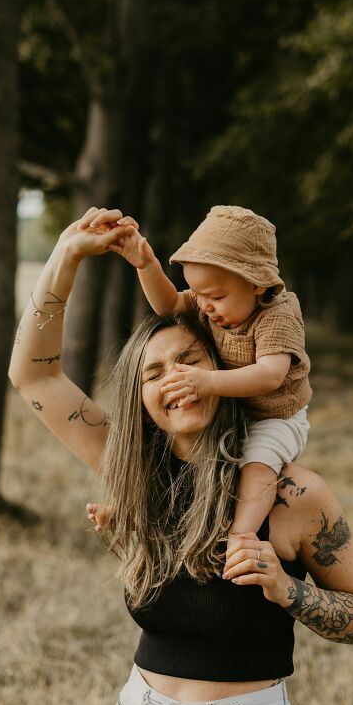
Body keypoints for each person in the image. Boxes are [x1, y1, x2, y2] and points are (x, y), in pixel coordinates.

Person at [8, 206, 353, 705]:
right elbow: (33, 374)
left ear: (223, 369)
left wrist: (286, 590)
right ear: (142, 397)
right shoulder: (133, 469)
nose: (174, 379)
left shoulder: (292, 495)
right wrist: (66, 255)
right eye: (153, 373)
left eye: (189, 360)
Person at [80, 204, 312, 557]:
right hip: (231, 406)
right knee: (174, 456)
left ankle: (242, 534)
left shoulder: (278, 314)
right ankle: (133, 512)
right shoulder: (208, 302)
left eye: (216, 297)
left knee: (257, 463)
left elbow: (270, 376)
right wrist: (145, 264)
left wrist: (208, 382)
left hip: (274, 417)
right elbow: (169, 304)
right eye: (198, 294)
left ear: (257, 285)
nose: (204, 306)